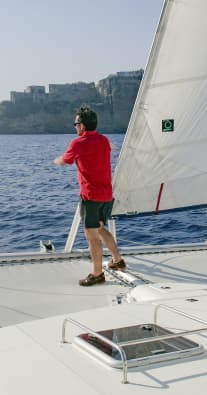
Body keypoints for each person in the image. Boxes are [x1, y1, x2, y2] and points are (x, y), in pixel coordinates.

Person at [54, 106, 126, 286]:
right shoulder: (104, 140)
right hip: (106, 195)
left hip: (91, 196)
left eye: (76, 124)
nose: (75, 127)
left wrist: (57, 160)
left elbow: (65, 161)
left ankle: (97, 273)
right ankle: (117, 260)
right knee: (100, 228)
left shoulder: (77, 143)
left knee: (92, 236)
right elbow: (107, 148)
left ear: (83, 126)